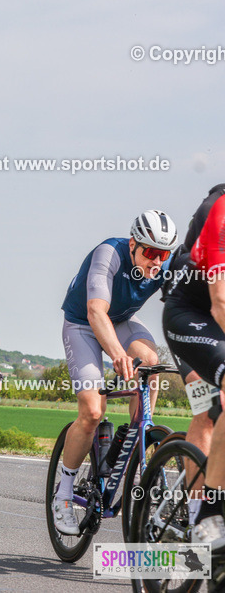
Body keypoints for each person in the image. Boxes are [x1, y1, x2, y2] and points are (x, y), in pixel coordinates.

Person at [52, 210, 177, 535]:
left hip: (120, 322)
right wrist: (119, 356)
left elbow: (184, 310)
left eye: (163, 255)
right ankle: (63, 494)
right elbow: (96, 311)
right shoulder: (109, 253)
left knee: (150, 363)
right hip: (83, 324)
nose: (156, 261)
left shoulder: (164, 268)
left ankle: (134, 444)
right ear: (133, 244)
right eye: (150, 252)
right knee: (93, 412)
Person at [162, 184, 225, 546]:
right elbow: (219, 304)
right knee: (206, 408)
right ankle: (201, 511)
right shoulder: (220, 213)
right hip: (192, 317)